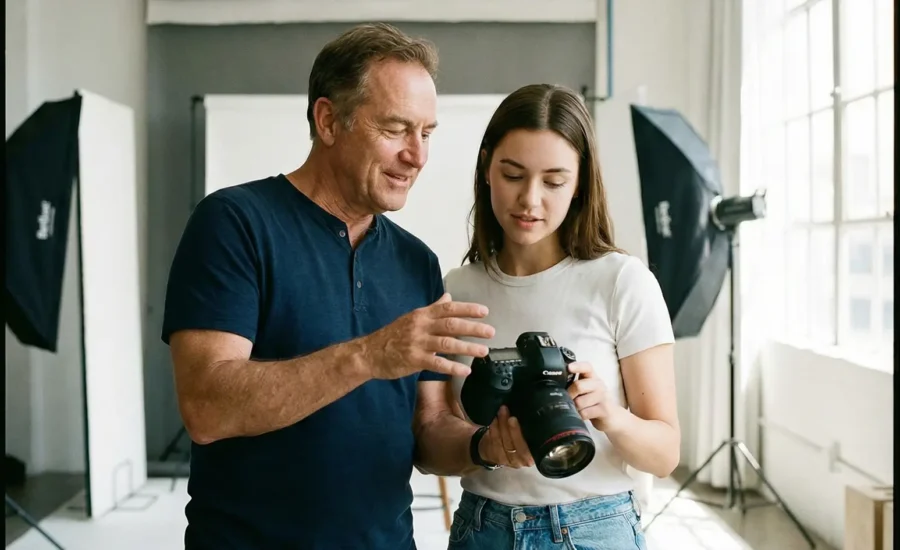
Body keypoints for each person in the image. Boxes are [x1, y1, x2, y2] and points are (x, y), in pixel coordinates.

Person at [161, 23, 508, 550]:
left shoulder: (417, 262)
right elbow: (207, 408)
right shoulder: (234, 223)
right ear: (328, 120)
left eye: (427, 133)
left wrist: (487, 445)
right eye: (396, 129)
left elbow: (429, 428)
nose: (417, 156)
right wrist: (369, 355)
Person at [440, 84, 681, 550]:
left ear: (580, 184)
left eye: (553, 182)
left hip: (595, 526)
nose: (530, 200)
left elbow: (665, 455)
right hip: (482, 525)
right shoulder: (456, 290)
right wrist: (485, 445)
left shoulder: (622, 281)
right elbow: (432, 443)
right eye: (513, 174)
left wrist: (609, 414)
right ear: (487, 168)